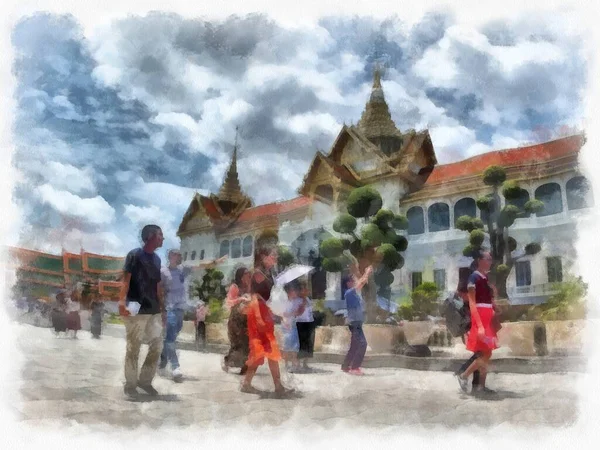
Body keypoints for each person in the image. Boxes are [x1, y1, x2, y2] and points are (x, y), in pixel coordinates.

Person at [158, 249, 226, 382]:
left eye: (180, 255)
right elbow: (159, 290)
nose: (179, 257)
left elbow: (200, 265)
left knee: (171, 337)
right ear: (171, 256)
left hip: (181, 310)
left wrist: (215, 262)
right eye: (177, 255)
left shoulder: (183, 269)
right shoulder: (163, 272)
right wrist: (162, 310)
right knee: (171, 338)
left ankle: (163, 358)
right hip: (170, 308)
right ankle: (175, 367)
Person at [119, 224, 165, 399]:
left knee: (157, 345)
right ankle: (130, 384)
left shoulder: (157, 260)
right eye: (160, 235)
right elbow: (126, 280)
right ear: (150, 236)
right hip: (135, 307)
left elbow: (158, 285)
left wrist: (162, 308)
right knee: (133, 347)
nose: (162, 238)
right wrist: (122, 301)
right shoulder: (134, 255)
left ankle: (145, 381)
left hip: (153, 309)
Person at [240, 244, 292, 397]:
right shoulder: (258, 273)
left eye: (276, 256)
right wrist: (259, 316)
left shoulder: (269, 274)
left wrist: (279, 312)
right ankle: (271, 386)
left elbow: (270, 297)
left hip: (264, 313)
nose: (275, 258)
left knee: (266, 350)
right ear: (263, 257)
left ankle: (257, 384)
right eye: (272, 255)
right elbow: (255, 295)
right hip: (257, 314)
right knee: (263, 350)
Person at [455, 251, 498, 396]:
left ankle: (480, 386)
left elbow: (487, 299)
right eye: (488, 259)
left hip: (486, 318)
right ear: (480, 260)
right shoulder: (473, 277)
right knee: (484, 353)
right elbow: (473, 303)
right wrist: (479, 325)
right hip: (480, 318)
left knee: (488, 352)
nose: (490, 262)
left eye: (491, 259)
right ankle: (464, 376)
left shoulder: (485, 278)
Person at [341, 265, 373, 375]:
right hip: (354, 323)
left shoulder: (354, 294)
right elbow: (361, 283)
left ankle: (345, 366)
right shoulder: (349, 293)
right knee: (362, 344)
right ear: (349, 283)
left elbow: (361, 282)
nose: (356, 281)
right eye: (353, 280)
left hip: (357, 322)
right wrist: (367, 272)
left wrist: (365, 275)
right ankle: (355, 367)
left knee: (355, 345)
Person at [222, 267, 252, 374]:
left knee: (247, 343)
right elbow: (229, 302)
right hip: (235, 320)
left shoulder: (249, 287)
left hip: (246, 319)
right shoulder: (235, 287)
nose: (248, 277)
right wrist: (241, 299)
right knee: (237, 344)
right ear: (240, 276)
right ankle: (227, 361)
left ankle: (245, 366)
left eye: (249, 275)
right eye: (246, 274)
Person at [281, 280, 306, 373]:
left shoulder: (299, 301)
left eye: (295, 290)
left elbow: (302, 309)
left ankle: (296, 364)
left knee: (294, 346)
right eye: (292, 290)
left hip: (294, 325)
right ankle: (287, 364)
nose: (294, 292)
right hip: (286, 325)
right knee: (286, 346)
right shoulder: (284, 301)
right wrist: (288, 316)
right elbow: (282, 313)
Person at [296, 281, 316, 372]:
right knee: (301, 343)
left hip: (309, 322)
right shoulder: (297, 300)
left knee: (309, 343)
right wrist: (303, 301)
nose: (307, 290)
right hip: (301, 323)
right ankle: (298, 364)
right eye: (304, 289)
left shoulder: (308, 299)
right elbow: (298, 311)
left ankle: (305, 363)